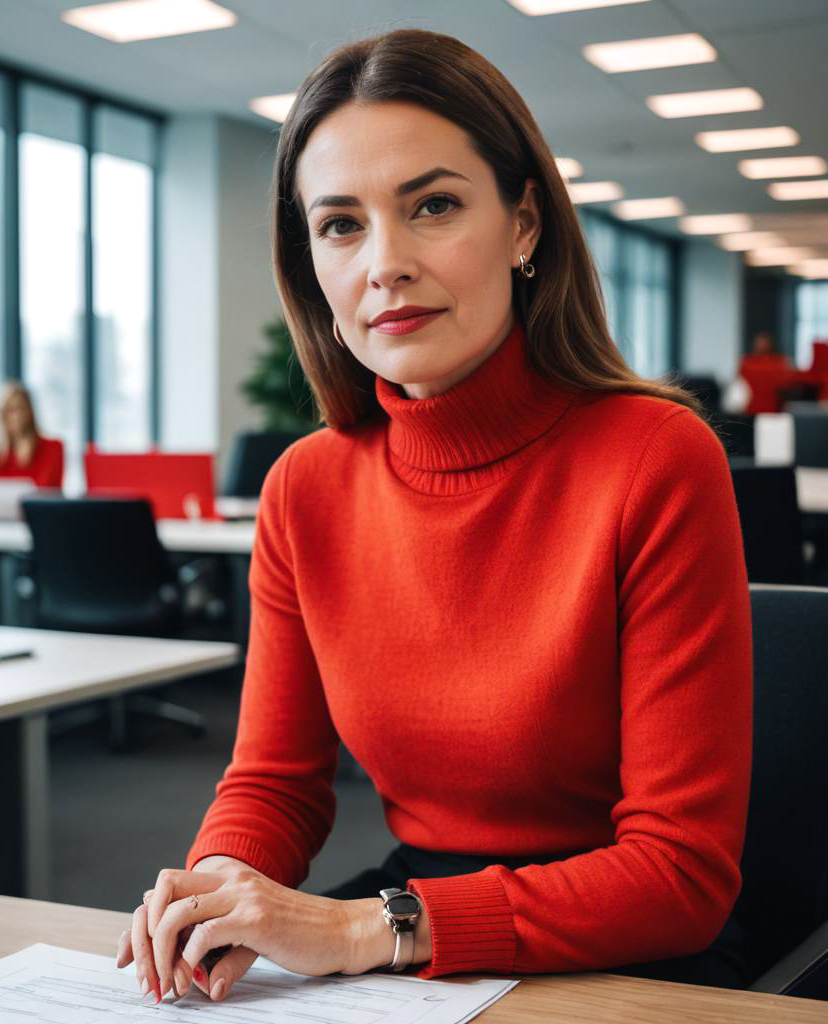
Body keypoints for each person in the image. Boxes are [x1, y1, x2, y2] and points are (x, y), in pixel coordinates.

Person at [116, 29, 752, 1002]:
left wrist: (371, 927)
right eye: (340, 225)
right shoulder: (305, 488)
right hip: (409, 936)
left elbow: (679, 875)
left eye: (435, 206)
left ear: (525, 223)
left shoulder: (656, 459)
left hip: (621, 952)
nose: (386, 264)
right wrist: (217, 891)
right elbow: (275, 782)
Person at [0, 381, 63, 489]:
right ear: (2, 415)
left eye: (21, 408)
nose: (17, 416)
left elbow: (47, 491)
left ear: (30, 412)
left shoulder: (53, 448)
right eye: (11, 410)